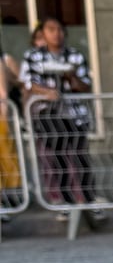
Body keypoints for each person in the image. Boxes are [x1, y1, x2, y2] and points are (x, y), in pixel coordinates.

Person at [20, 17, 98, 216]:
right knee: (56, 161)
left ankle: (88, 201)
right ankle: (64, 203)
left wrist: (70, 77)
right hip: (48, 116)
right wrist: (47, 92)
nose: (56, 34)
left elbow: (85, 85)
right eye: (51, 29)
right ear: (43, 34)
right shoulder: (33, 57)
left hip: (74, 115)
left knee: (79, 158)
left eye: (60, 29)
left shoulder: (75, 56)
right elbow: (29, 83)